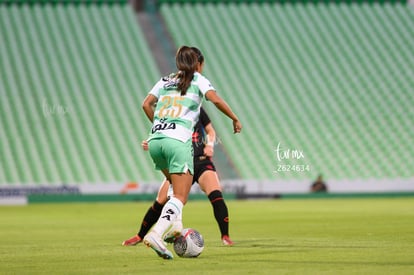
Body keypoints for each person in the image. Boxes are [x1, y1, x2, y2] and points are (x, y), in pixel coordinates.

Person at [140, 45, 242, 259]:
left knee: (171, 184)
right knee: (180, 196)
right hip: (178, 142)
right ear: (198, 63)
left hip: (156, 140)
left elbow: (146, 104)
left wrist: (160, 126)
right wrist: (234, 117)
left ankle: (176, 226)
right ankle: (156, 234)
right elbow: (215, 100)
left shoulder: (165, 80)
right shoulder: (197, 79)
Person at [122, 107, 234, 247]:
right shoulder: (168, 110)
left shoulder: (196, 106)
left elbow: (210, 131)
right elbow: (161, 133)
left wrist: (210, 145)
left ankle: (225, 236)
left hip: (200, 161)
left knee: (216, 194)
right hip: (180, 162)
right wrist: (151, 142)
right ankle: (140, 235)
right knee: (160, 201)